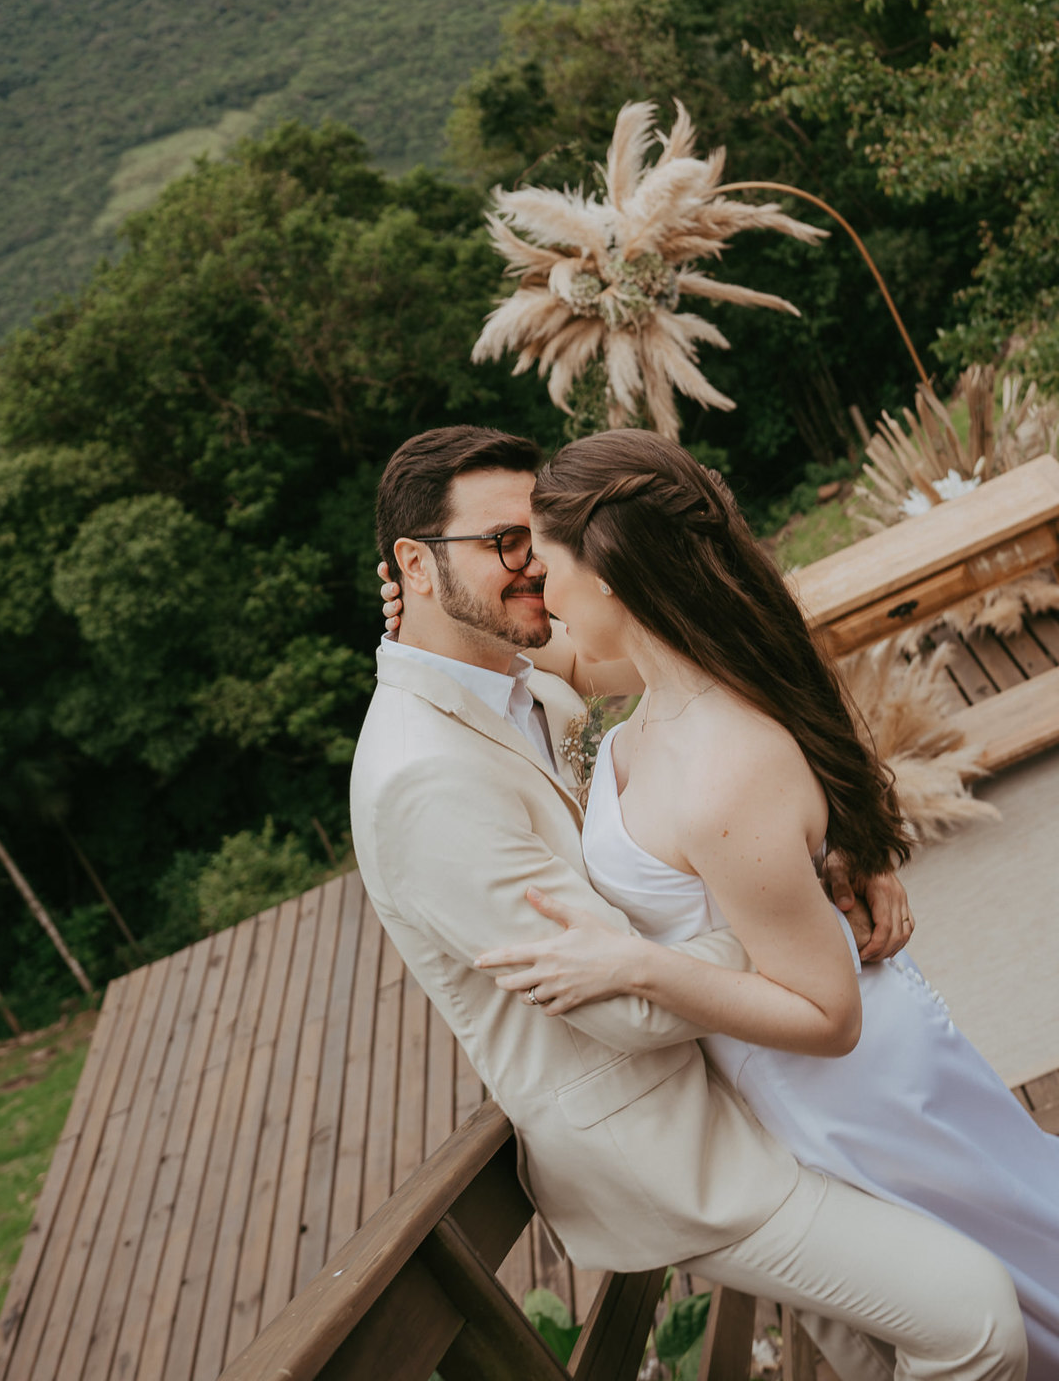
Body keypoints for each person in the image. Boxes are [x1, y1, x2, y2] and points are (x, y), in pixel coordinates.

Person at [352, 423, 1027, 1381]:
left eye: (537, 536)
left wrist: (842, 833)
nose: (537, 564)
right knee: (973, 1323)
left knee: (882, 1346)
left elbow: (729, 640)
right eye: (507, 543)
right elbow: (623, 1005)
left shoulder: (515, 673)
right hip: (671, 1145)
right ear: (417, 565)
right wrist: (794, 905)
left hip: (753, 1075)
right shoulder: (420, 779)